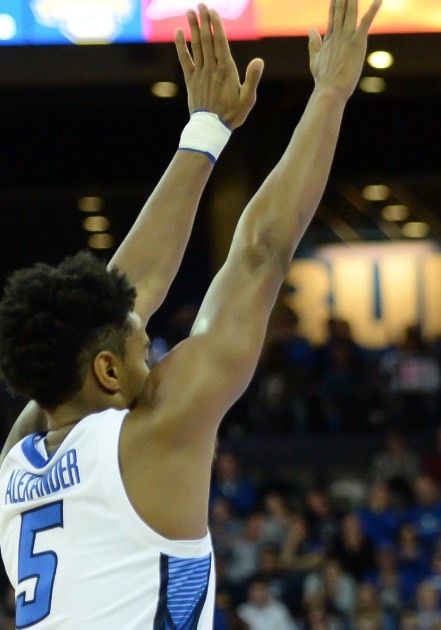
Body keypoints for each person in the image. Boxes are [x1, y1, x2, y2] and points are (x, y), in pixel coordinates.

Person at [0, 0, 380, 626]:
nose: (150, 343)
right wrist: (331, 93)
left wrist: (206, 130)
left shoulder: (18, 463)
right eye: (141, 343)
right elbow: (260, 254)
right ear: (106, 370)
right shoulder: (153, 432)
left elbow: (123, 291)